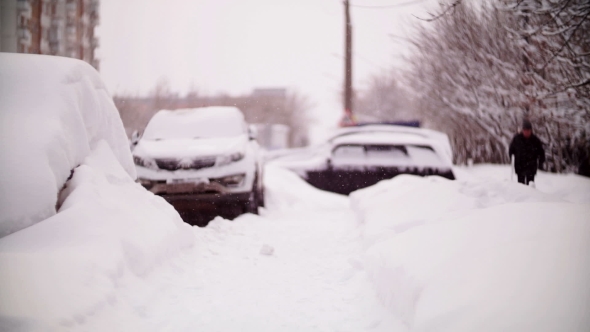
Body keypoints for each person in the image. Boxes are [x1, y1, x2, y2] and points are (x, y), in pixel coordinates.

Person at [509, 120, 545, 185]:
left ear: (531, 130)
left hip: (531, 167)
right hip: (520, 167)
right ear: (522, 130)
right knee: (521, 186)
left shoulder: (535, 140)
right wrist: (511, 157)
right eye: (525, 130)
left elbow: (541, 153)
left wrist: (540, 163)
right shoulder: (517, 139)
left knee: (530, 185)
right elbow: (511, 150)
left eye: (528, 130)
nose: (526, 132)